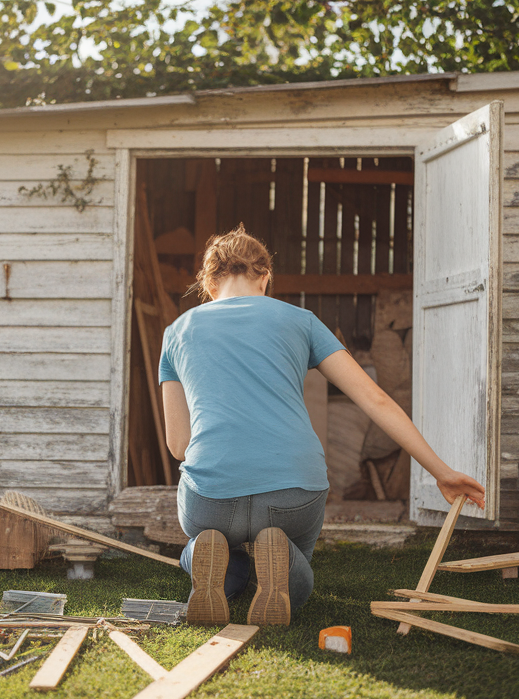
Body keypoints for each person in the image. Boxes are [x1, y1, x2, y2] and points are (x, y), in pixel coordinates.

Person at [159, 226, 486, 626]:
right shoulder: (301, 321)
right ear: (265, 276)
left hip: (211, 493)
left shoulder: (176, 333)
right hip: (292, 488)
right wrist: (442, 472)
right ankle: (281, 560)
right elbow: (375, 399)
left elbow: (179, 445)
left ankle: (209, 559)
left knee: (201, 543)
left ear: (209, 283)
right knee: (290, 556)